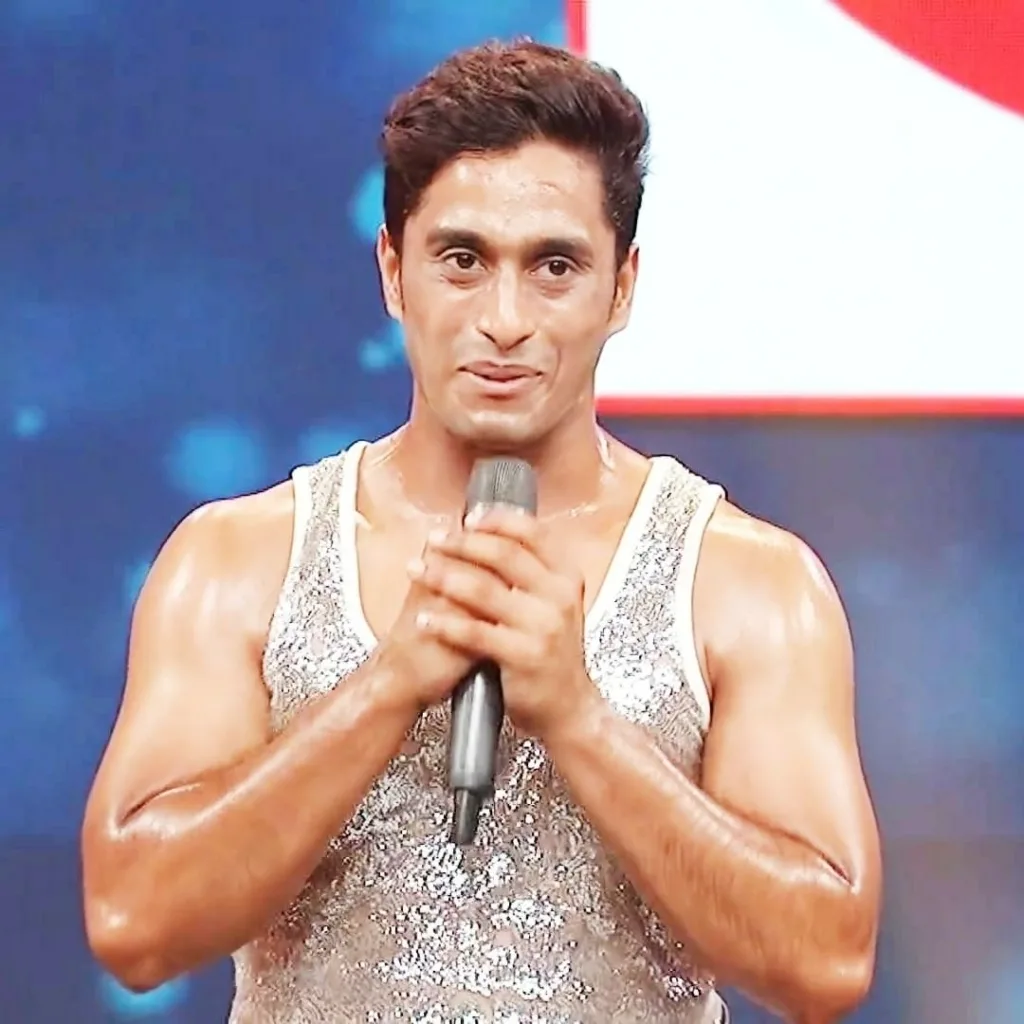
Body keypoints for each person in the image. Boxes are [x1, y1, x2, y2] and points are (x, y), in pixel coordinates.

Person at [81, 40, 882, 1024]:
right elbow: (134, 921)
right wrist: (385, 686)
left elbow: (824, 961)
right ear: (393, 272)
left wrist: (580, 719)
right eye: (462, 260)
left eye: (554, 266)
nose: (504, 318)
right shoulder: (236, 562)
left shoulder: (748, 583)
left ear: (621, 287)